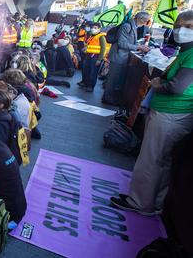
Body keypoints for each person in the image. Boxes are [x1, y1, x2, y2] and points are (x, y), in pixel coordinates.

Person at [111, 11, 193, 216]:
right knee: (162, 159)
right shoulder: (186, 52)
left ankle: (139, 202)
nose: (181, 31)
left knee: (151, 158)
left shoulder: (191, 55)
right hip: (173, 115)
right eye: (179, 25)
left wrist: (158, 84)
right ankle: (154, 202)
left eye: (188, 27)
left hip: (170, 115)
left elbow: (177, 87)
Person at [102, 11, 151, 106]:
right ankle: (107, 98)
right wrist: (139, 47)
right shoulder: (127, 26)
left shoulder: (132, 26)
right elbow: (122, 43)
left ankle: (109, 97)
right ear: (141, 19)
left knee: (115, 79)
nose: (146, 22)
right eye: (146, 20)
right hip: (118, 56)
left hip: (122, 57)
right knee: (112, 79)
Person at [78, 22, 107, 92]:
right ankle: (85, 83)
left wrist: (99, 59)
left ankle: (91, 86)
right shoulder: (92, 36)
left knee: (93, 72)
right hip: (88, 55)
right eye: (92, 28)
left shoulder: (101, 37)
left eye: (95, 28)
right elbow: (90, 45)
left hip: (96, 57)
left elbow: (103, 48)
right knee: (85, 70)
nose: (93, 29)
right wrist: (85, 49)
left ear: (99, 29)